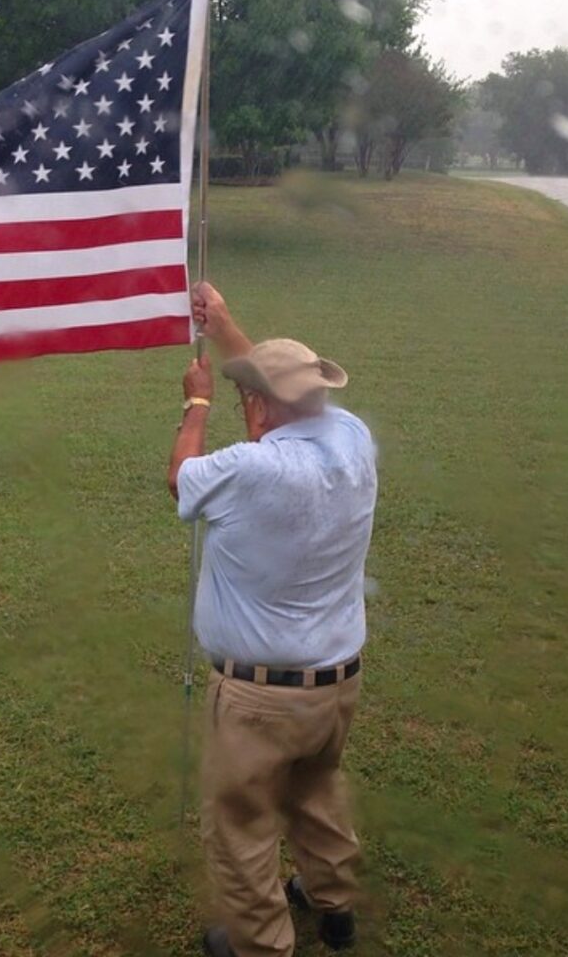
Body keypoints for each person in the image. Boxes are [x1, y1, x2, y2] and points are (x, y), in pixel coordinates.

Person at [167, 282, 379, 957]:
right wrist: (227, 329)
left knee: (242, 824)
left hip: (260, 696)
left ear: (259, 407)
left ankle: (262, 946)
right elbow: (279, 389)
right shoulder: (352, 439)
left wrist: (196, 403)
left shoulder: (251, 470)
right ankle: (333, 905)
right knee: (317, 792)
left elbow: (182, 477)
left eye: (243, 397)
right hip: (335, 683)